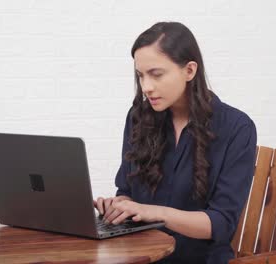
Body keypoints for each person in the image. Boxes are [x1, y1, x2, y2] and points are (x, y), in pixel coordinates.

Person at [94, 21, 257, 264]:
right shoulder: (138, 117)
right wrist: (120, 206)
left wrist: (155, 212)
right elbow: (127, 191)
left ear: (189, 70)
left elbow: (221, 223)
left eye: (156, 74)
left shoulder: (236, 128)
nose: (146, 87)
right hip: (141, 256)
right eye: (141, 75)